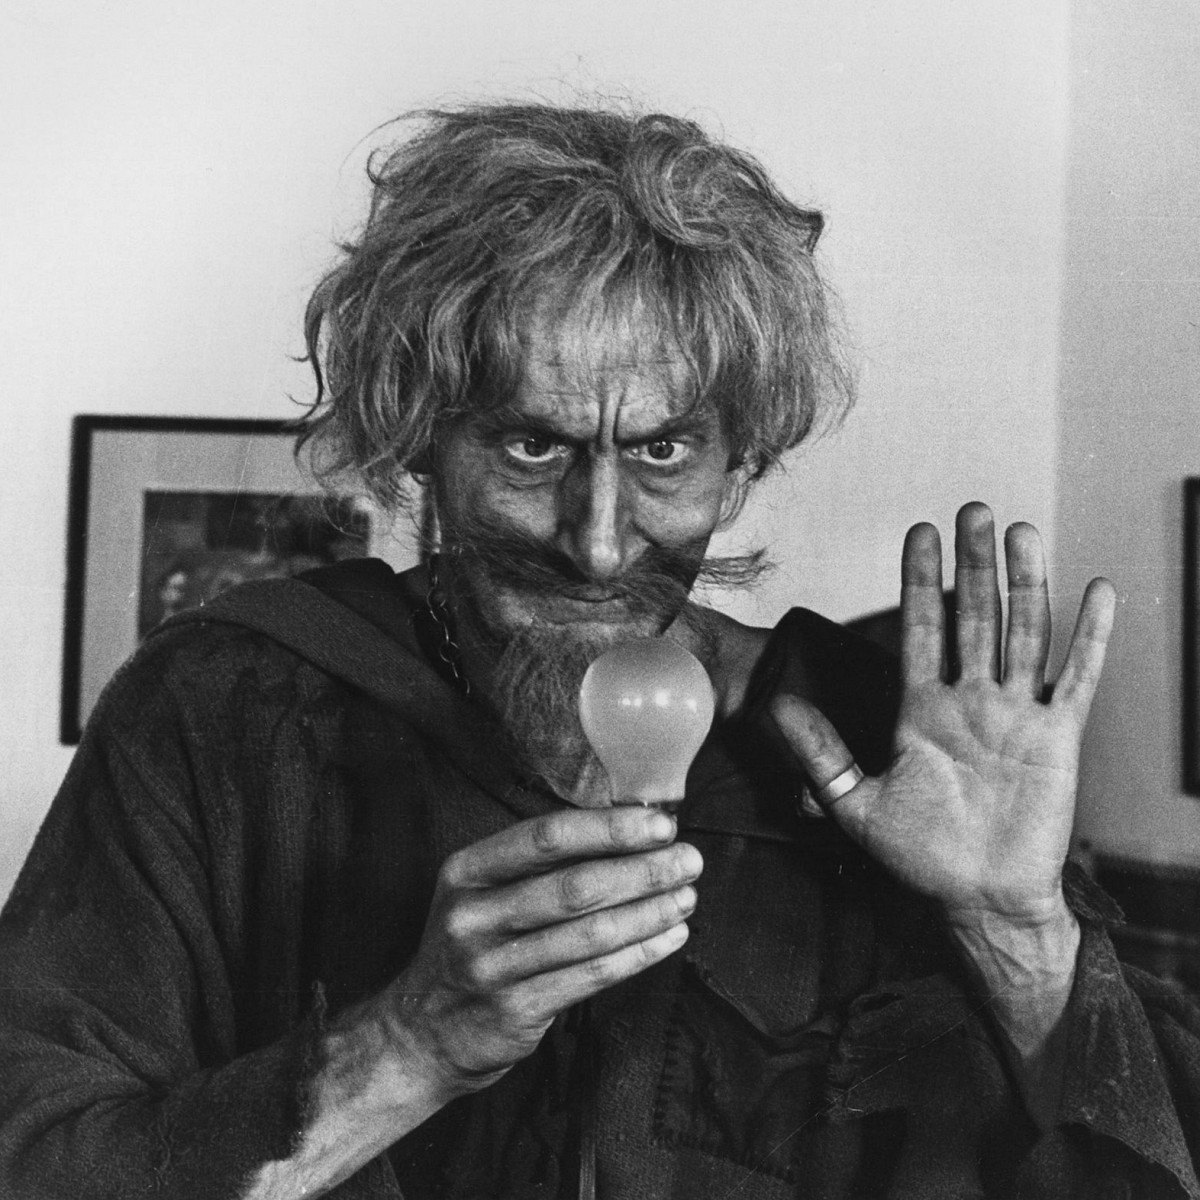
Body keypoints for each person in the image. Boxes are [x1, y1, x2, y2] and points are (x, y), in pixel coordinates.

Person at [2, 102, 1198, 1200]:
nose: (598, 541)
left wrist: (1015, 932)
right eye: (532, 446)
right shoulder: (224, 707)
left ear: (742, 459)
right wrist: (407, 1047)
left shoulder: (879, 741)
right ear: (419, 438)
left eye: (664, 450)